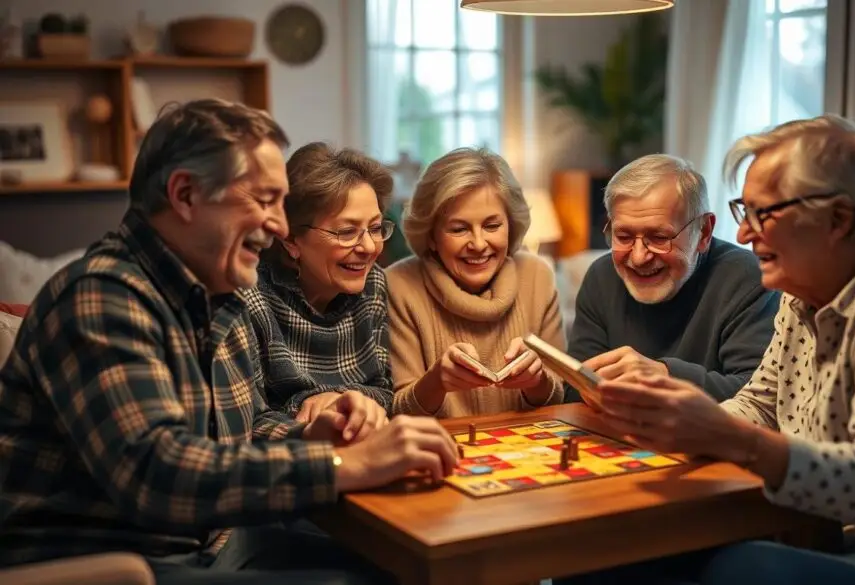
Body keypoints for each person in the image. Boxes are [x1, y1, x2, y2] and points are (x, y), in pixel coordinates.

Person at [0, 99, 457, 585]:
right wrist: (343, 463)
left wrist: (313, 435)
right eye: (263, 201)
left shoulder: (216, 297)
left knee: (406, 567)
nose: (280, 226)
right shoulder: (102, 297)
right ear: (185, 195)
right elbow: (159, 475)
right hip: (105, 564)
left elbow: (237, 440)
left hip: (208, 544)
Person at [573, 115, 855, 585]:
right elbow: (760, 404)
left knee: (744, 571)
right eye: (743, 211)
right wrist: (678, 430)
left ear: (838, 220)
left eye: (763, 214)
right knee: (601, 553)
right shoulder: (803, 288)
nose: (744, 234)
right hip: (810, 528)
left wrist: (729, 438)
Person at [567, 154, 778, 402]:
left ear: (704, 232)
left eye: (659, 237)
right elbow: (576, 389)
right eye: (623, 236)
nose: (638, 257)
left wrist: (665, 376)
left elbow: (761, 398)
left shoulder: (748, 277)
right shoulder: (601, 277)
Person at [387, 147, 565, 418]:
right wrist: (435, 382)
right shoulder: (398, 285)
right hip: (438, 443)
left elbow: (559, 398)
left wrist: (537, 381)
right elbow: (398, 413)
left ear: (511, 226)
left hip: (528, 443)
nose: (479, 244)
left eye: (492, 226)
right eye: (459, 229)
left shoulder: (537, 276)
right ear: (431, 236)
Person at [243, 143, 395, 427]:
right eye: (347, 232)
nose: (368, 247)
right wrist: (307, 410)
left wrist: (339, 399)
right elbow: (248, 424)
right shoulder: (249, 296)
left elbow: (384, 391)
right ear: (291, 240)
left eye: (375, 228)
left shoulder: (373, 282)